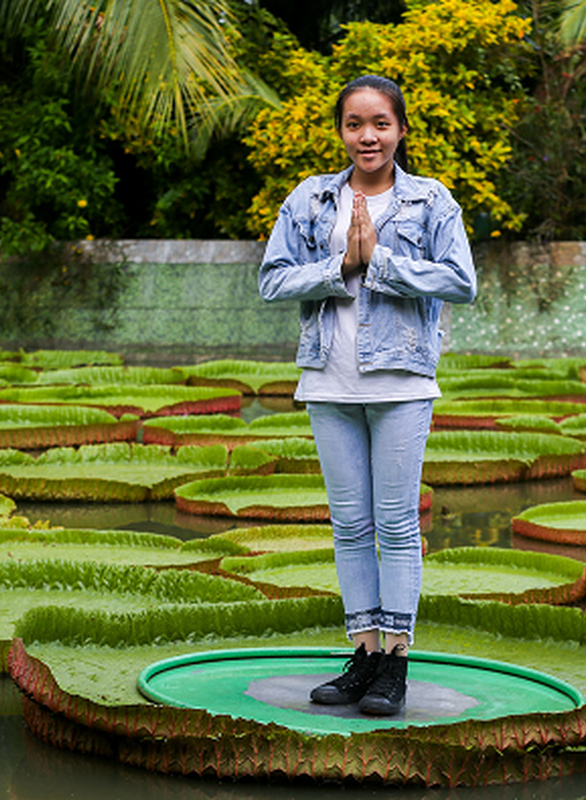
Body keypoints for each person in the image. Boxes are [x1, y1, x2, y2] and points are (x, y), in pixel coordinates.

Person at [257, 75, 477, 716]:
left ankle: (395, 664)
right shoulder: (311, 198)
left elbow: (461, 281)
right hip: (329, 380)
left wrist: (379, 263)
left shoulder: (431, 201)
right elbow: (273, 281)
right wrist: (342, 267)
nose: (367, 136)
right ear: (341, 132)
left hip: (403, 382)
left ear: (400, 129)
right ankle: (362, 654)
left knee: (397, 524)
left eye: (380, 123)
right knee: (350, 525)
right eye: (355, 124)